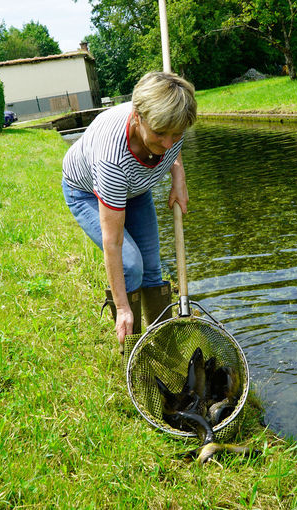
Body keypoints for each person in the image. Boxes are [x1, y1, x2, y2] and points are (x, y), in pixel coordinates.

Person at [61, 71, 197, 352]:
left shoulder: (171, 124)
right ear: (137, 117)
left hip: (136, 187)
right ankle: (133, 348)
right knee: (131, 264)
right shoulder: (112, 158)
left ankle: (164, 347)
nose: (169, 143)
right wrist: (122, 306)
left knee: (152, 269)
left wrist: (178, 176)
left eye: (177, 134)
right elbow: (113, 242)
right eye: (160, 134)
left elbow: (172, 144)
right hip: (86, 191)